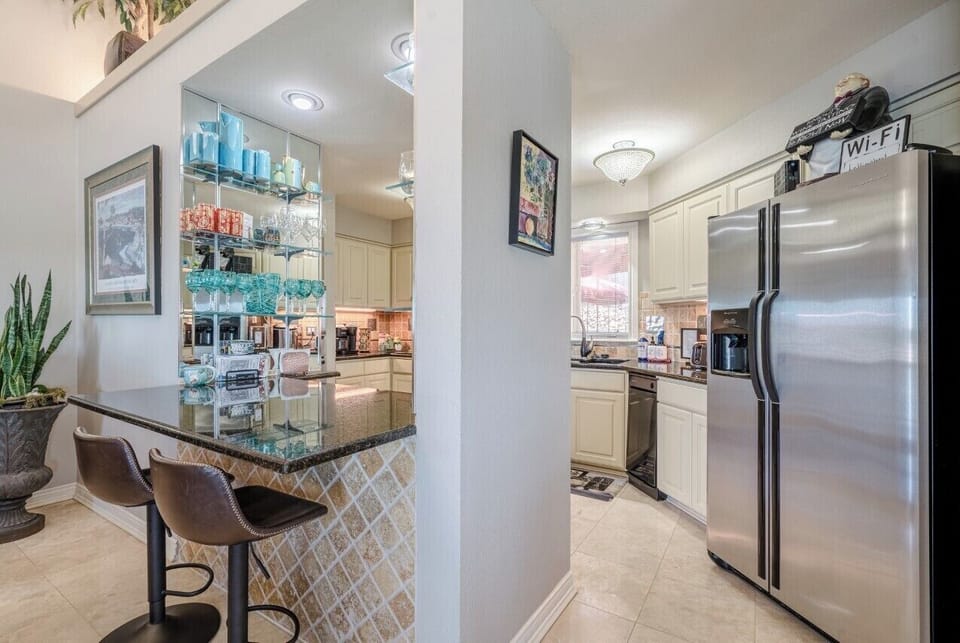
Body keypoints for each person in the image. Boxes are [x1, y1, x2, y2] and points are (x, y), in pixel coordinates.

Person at [787, 72, 892, 180]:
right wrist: (806, 150)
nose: (842, 81)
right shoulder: (825, 113)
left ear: (864, 82)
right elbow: (815, 133)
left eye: (848, 78)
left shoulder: (873, 92)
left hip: (861, 164)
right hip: (824, 176)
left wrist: (851, 130)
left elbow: (872, 110)